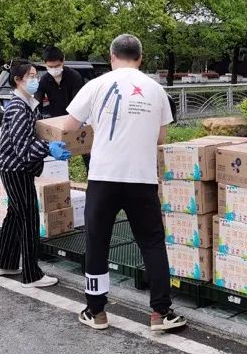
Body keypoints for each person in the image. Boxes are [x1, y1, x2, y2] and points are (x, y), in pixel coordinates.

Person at [62, 34, 187, 332]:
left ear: (111, 57)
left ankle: (96, 311)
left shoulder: (96, 85)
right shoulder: (156, 90)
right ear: (140, 58)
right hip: (141, 178)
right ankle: (161, 312)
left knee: (97, 241)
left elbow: (68, 126)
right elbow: (160, 138)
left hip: (103, 177)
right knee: (152, 242)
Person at [0, 59, 72, 288]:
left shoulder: (26, 104)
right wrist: (48, 148)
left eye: (36, 75)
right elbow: (22, 147)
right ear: (18, 80)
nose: (36, 80)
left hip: (14, 168)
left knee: (15, 216)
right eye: (31, 76)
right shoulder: (18, 108)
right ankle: (31, 275)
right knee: (28, 218)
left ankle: (3, 264)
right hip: (16, 169)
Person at [35, 46, 91, 171]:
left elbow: (78, 103)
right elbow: (38, 101)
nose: (54, 69)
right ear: (45, 64)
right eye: (50, 67)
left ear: (63, 61)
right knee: (57, 156)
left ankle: (90, 175)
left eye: (57, 66)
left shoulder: (74, 76)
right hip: (56, 120)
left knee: (86, 151)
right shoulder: (44, 80)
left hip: (75, 119)